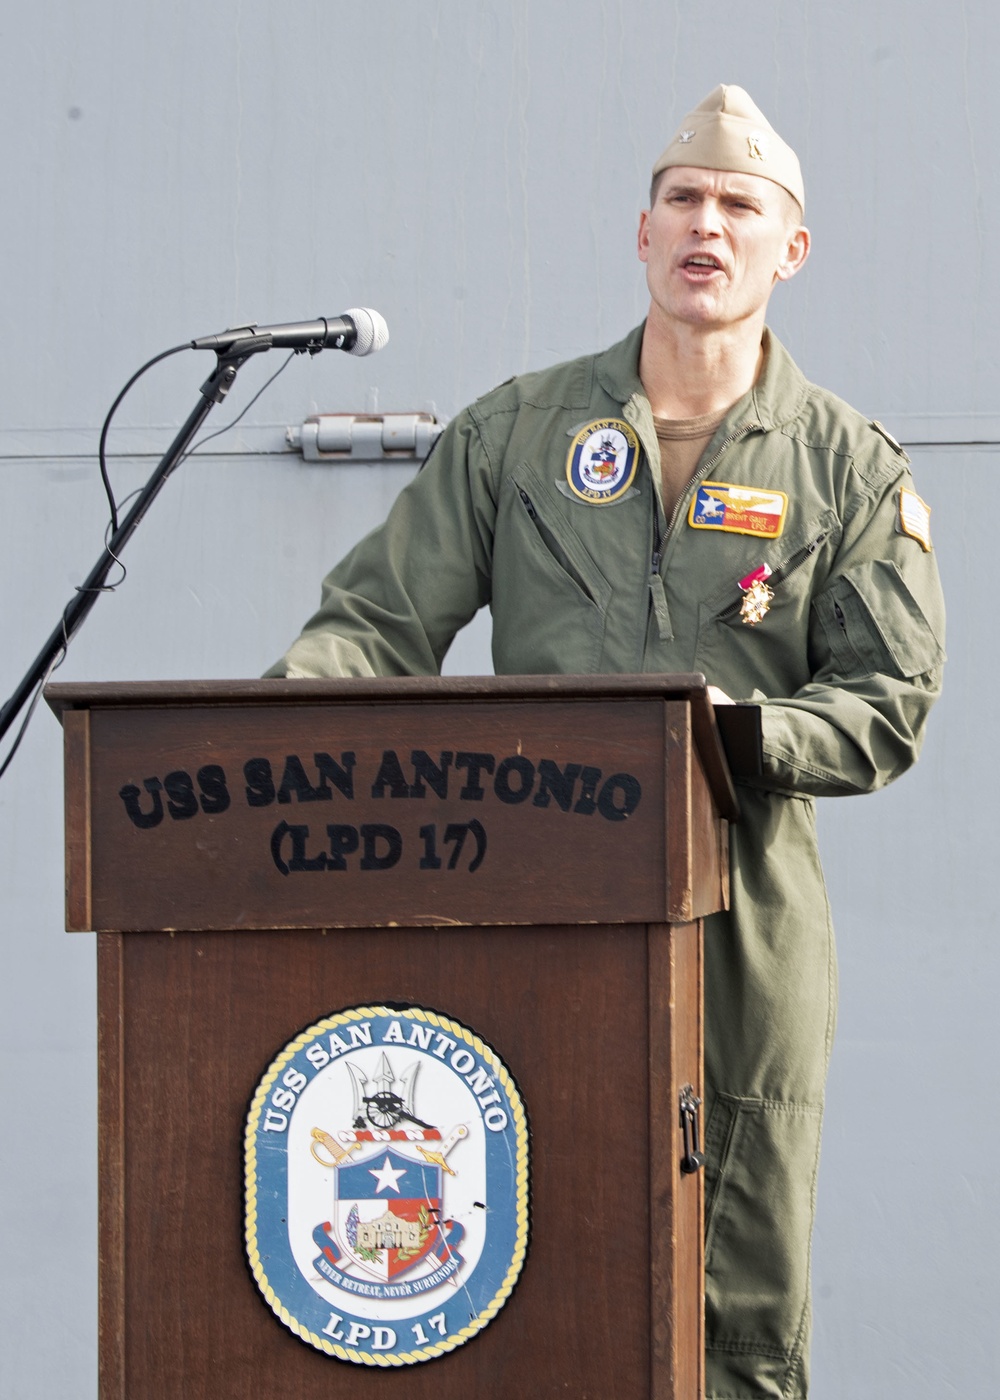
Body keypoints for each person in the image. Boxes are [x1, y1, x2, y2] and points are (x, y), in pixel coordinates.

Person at [267, 85, 945, 1399]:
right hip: (532, 912)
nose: (709, 225)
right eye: (684, 201)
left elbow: (888, 701)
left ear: (787, 251)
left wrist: (730, 738)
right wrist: (279, 717)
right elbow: (371, 624)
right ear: (641, 234)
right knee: (528, 1272)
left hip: (739, 921)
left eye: (741, 206)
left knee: (735, 1310)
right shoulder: (518, 435)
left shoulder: (844, 468)